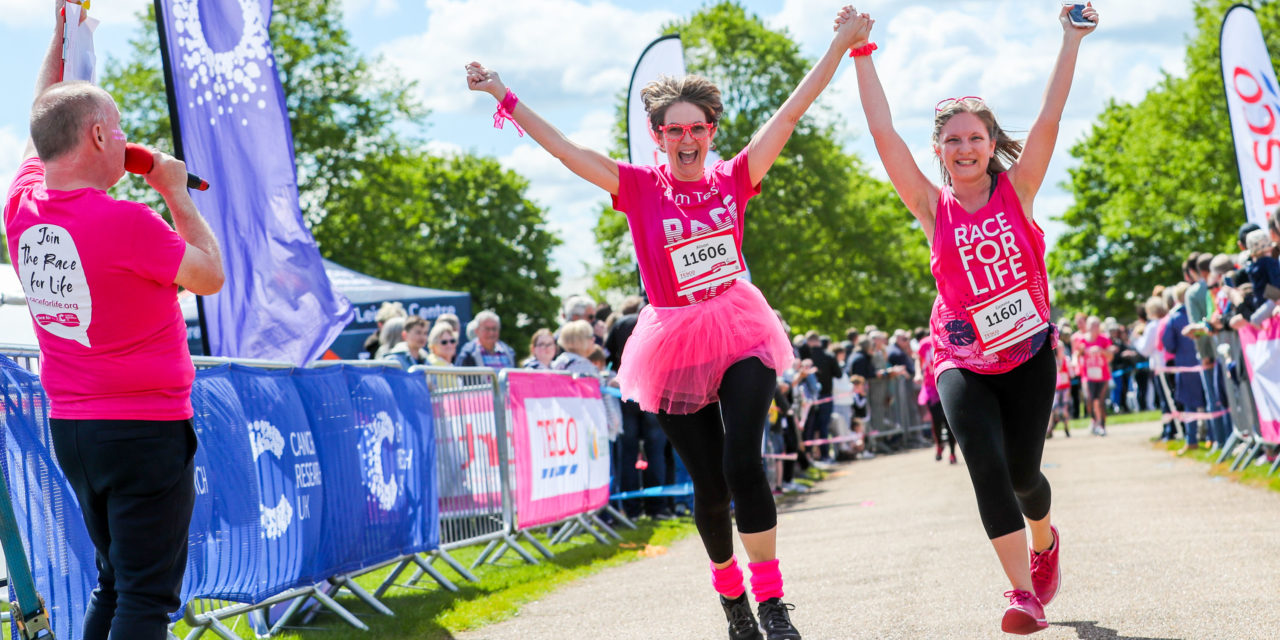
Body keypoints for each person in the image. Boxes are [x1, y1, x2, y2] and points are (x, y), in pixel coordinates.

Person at [466, 9, 872, 637]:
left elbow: (788, 115)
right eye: (674, 129)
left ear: (711, 131)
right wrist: (503, 94)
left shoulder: (735, 178)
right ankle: (732, 599)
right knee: (708, 486)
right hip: (674, 339)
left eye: (699, 128)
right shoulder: (637, 187)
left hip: (739, 327)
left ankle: (772, 604)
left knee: (743, 461)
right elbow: (569, 152)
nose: (688, 138)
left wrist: (840, 45)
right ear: (657, 135)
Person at [850, 3, 1097, 633]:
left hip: (1029, 350)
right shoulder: (932, 208)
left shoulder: (1021, 188)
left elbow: (1050, 116)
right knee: (986, 466)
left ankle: (1045, 542)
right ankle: (1022, 595)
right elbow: (884, 138)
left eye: (975, 138)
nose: (964, 149)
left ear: (992, 145)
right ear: (940, 149)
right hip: (960, 356)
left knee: (1024, 474)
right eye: (953, 140)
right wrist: (860, 55)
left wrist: (1069, 39)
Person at [4, 4, 224, 637]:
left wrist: (61, 41)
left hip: (75, 427)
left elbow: (45, 113)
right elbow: (209, 275)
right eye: (118, 128)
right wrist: (175, 188)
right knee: (147, 598)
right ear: (100, 137)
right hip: (145, 428)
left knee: (116, 583)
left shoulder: (21, 207)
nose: (127, 139)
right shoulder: (129, 224)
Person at [916, 331, 955, 463]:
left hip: (945, 383)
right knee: (936, 420)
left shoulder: (947, 337)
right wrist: (918, 373)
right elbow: (918, 359)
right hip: (931, 388)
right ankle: (939, 445)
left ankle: (953, 453)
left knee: (949, 421)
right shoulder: (925, 343)